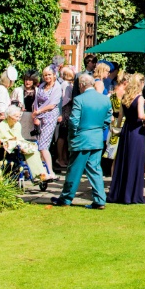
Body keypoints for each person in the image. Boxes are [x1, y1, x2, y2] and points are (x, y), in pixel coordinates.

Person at [52, 72, 112, 209]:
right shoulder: (104, 99)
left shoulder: (80, 99)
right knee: (95, 170)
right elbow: (107, 120)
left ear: (82, 85)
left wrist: (72, 135)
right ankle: (100, 200)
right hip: (96, 139)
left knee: (74, 169)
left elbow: (73, 121)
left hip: (81, 139)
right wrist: (98, 130)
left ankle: (66, 198)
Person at [110, 74, 145, 204]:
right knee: (135, 162)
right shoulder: (139, 98)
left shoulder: (125, 97)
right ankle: (132, 195)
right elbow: (141, 115)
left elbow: (120, 116)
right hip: (136, 132)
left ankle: (120, 193)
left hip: (126, 131)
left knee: (124, 161)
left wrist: (117, 129)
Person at [0, 104, 49, 186]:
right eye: (16, 117)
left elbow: (20, 138)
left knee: (33, 150)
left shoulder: (17, 125)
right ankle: (37, 175)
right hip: (8, 151)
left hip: (19, 148)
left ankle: (39, 174)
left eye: (19, 117)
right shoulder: (0, 127)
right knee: (26, 150)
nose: (18, 119)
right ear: (9, 116)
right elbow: (2, 140)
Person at [32, 66, 63, 177]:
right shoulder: (41, 86)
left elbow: (53, 104)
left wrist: (39, 111)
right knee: (38, 143)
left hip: (50, 116)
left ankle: (50, 171)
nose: (47, 77)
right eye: (45, 75)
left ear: (54, 75)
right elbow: (36, 101)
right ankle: (41, 169)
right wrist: (35, 115)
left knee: (43, 145)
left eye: (49, 74)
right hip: (39, 117)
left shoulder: (57, 87)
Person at [21, 73, 39, 142]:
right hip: (22, 117)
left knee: (32, 138)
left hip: (32, 118)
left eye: (30, 80)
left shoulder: (37, 91)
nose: (27, 82)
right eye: (26, 80)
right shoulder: (19, 90)